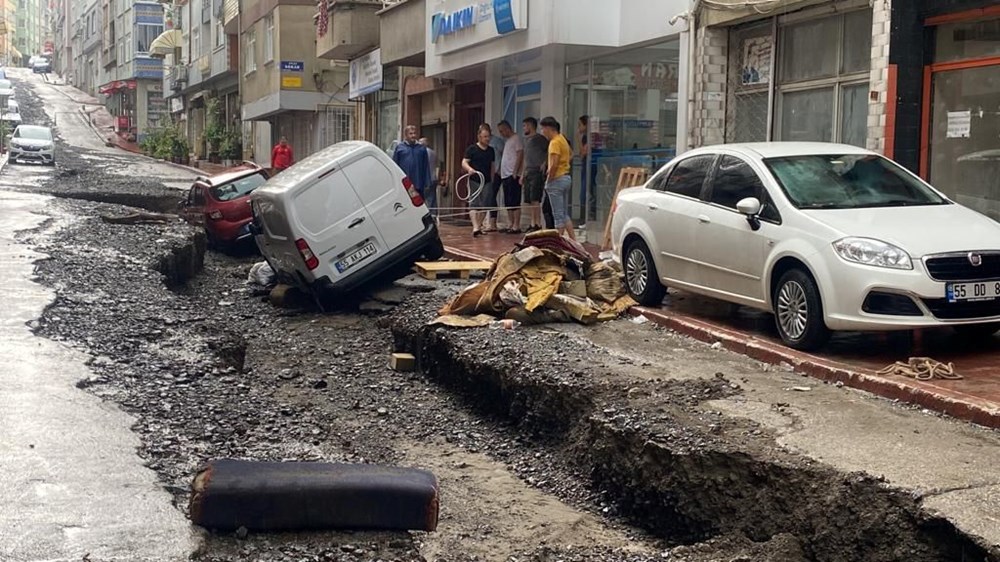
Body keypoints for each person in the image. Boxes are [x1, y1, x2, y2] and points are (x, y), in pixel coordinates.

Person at [540, 116, 574, 240]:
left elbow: (553, 164)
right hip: (566, 177)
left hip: (557, 180)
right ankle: (574, 241)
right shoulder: (562, 139)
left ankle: (558, 243)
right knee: (564, 214)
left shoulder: (554, 142)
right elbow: (571, 153)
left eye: (543, 129)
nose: (543, 132)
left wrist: (549, 179)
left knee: (558, 215)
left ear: (549, 129)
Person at [461, 125, 496, 237]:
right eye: (485, 136)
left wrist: (492, 179)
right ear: (479, 137)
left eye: (488, 136)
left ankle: (479, 226)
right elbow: (464, 162)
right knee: (474, 203)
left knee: (485, 204)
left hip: (487, 181)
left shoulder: (491, 150)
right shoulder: (472, 149)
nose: (487, 139)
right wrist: (470, 169)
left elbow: (492, 166)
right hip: (474, 180)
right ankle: (475, 227)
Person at [520, 117, 549, 232]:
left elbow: (549, 151)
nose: (524, 128)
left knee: (535, 198)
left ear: (530, 126)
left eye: (525, 126)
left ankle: (537, 223)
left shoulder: (540, 139)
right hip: (528, 171)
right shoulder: (526, 140)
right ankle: (532, 222)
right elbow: (525, 159)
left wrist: (544, 163)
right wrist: (522, 174)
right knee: (529, 199)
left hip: (537, 171)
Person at [392, 125, 431, 204]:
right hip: (404, 184)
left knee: (419, 205)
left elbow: (426, 166)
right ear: (406, 135)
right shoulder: (400, 148)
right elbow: (394, 165)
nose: (413, 136)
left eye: (414, 133)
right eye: (410, 133)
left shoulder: (421, 148)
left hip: (418, 184)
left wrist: (427, 182)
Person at [496, 120, 524, 234]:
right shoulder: (507, 141)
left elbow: (520, 154)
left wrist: (515, 171)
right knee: (507, 201)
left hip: (512, 174)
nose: (501, 133)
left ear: (507, 128)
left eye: (502, 131)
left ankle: (516, 225)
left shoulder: (516, 139)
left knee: (515, 200)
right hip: (505, 175)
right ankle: (510, 223)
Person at [484, 124, 505, 232]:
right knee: (486, 197)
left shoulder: (497, 141)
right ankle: (486, 221)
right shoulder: (481, 145)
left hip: (497, 172)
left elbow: (503, 154)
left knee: (492, 196)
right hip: (485, 174)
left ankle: (493, 222)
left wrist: (500, 168)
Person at [577, 115, 598, 225]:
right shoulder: (590, 137)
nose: (578, 128)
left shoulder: (589, 137)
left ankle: (588, 218)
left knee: (587, 192)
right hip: (588, 166)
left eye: (580, 125)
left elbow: (583, 152)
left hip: (591, 166)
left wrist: (579, 139)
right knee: (588, 191)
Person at [419, 137, 439, 218]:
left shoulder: (422, 153)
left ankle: (425, 216)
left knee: (422, 198)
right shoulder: (433, 152)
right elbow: (437, 165)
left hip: (425, 179)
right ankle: (433, 215)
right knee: (432, 198)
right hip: (433, 178)